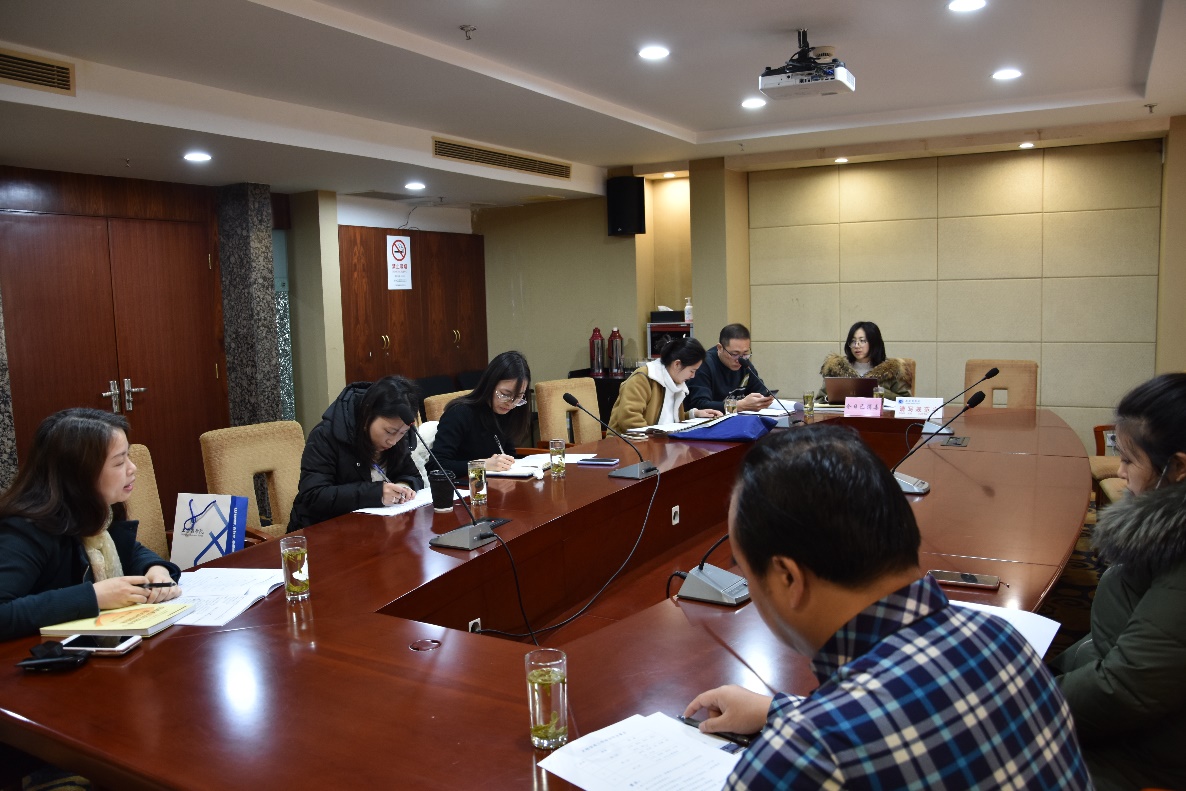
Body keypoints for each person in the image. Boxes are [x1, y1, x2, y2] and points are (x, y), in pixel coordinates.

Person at [683, 424, 1090, 789]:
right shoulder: (1004, 640)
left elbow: (853, 734)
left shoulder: (805, 757)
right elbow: (912, 708)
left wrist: (801, 725)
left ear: (788, 578)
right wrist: (779, 710)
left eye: (745, 570)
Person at [1049, 372, 1186, 791]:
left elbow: (1126, 688)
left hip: (1143, 755)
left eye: (1128, 459)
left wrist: (1025, 704)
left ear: (1178, 467)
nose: (1120, 472)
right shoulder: (1164, 531)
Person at [0, 408, 182, 642]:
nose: (132, 468)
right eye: (119, 462)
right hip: (41, 655)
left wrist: (156, 570)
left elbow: (130, 551)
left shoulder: (96, 509)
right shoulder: (25, 529)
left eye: (128, 456)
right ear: (80, 473)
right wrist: (93, 597)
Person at [288, 376, 422, 532]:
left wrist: (403, 487)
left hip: (373, 530)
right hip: (322, 531)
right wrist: (375, 494)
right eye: (389, 432)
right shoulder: (326, 436)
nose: (393, 441)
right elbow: (313, 495)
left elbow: (413, 476)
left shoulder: (397, 437)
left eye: (402, 433)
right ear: (367, 415)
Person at [432, 351, 532, 478]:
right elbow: (436, 466)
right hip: (463, 486)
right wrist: (481, 465)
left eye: (518, 397)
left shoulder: (507, 412)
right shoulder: (459, 413)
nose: (510, 403)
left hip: (495, 483)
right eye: (505, 394)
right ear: (490, 384)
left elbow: (509, 454)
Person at [607, 338, 723, 433]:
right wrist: (657, 439)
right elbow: (629, 419)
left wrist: (694, 415)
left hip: (655, 443)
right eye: (692, 371)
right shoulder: (643, 378)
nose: (693, 376)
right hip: (629, 445)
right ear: (677, 364)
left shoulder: (675, 382)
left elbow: (668, 420)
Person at [685, 324, 775, 414]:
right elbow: (700, 405)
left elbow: (760, 391)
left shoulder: (744, 363)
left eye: (745, 353)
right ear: (720, 348)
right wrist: (737, 406)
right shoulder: (703, 365)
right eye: (734, 354)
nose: (739, 360)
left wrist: (763, 400)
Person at [817, 320, 912, 401]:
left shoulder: (891, 370)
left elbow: (906, 402)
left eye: (862, 341)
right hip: (842, 417)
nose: (856, 345)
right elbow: (819, 400)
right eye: (853, 341)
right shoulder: (836, 368)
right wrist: (835, 396)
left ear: (874, 343)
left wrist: (881, 392)